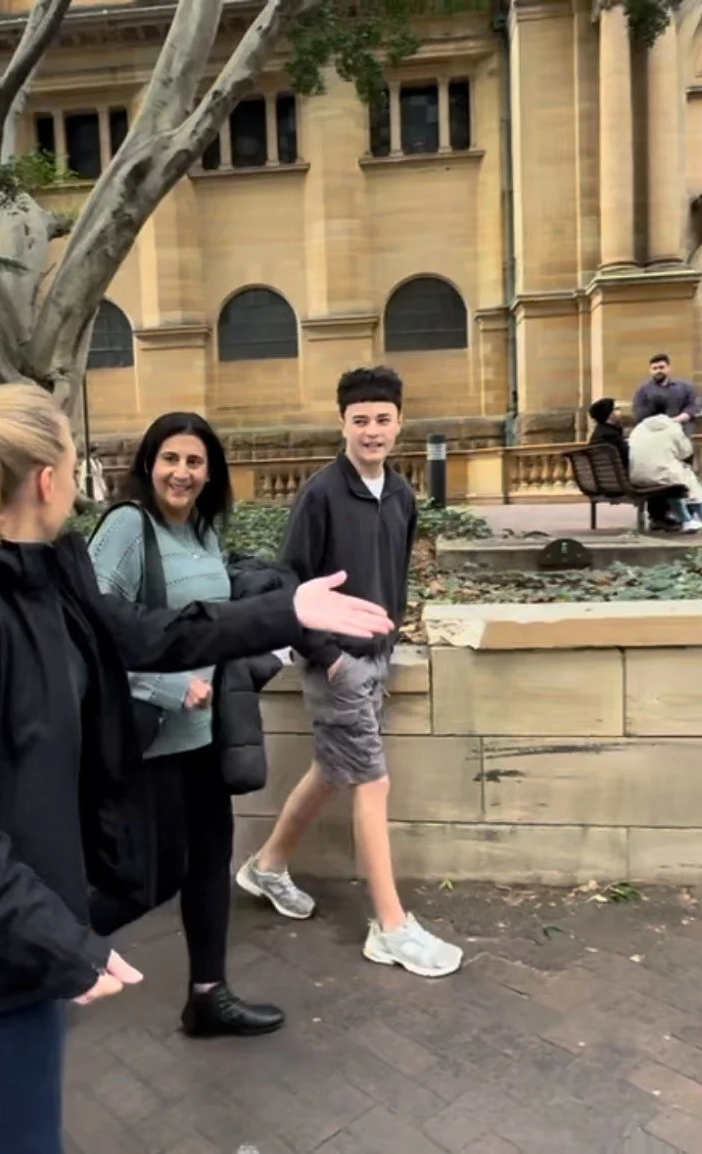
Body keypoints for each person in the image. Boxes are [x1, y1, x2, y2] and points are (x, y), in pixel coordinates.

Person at [0, 383, 394, 1154]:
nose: (85, 481)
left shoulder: (41, 567)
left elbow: (145, 635)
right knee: (13, 1138)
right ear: (47, 478)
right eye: (78, 463)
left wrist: (287, 612)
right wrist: (61, 940)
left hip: (10, 935)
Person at [237, 366, 465, 979]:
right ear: (342, 423)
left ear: (399, 424)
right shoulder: (320, 495)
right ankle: (390, 927)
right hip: (335, 663)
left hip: (377, 656)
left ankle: (267, 866)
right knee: (372, 782)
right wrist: (329, 657)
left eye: (382, 420)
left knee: (334, 769)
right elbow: (290, 584)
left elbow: (398, 571)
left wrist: (390, 632)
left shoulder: (402, 495)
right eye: (360, 420)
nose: (371, 431)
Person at [86, 412, 285, 1038]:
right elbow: (91, 629)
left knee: (210, 861)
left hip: (203, 737)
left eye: (194, 461)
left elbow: (207, 625)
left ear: (210, 472)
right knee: (150, 878)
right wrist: (167, 687)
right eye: (170, 459)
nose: (182, 472)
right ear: (148, 464)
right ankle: (34, 950)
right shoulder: (128, 527)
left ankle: (208, 996)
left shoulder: (203, 529)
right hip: (148, 739)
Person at [631, 353, 701, 427]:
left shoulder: (685, 387)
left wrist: (676, 420)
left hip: (680, 427)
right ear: (650, 371)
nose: (658, 371)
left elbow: (693, 406)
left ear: (668, 368)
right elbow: (638, 412)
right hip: (653, 429)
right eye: (655, 368)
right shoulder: (643, 390)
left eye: (661, 367)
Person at [587, 398, 629, 467]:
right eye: (616, 409)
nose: (621, 412)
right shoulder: (610, 435)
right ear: (609, 414)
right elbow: (627, 457)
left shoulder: (601, 431)